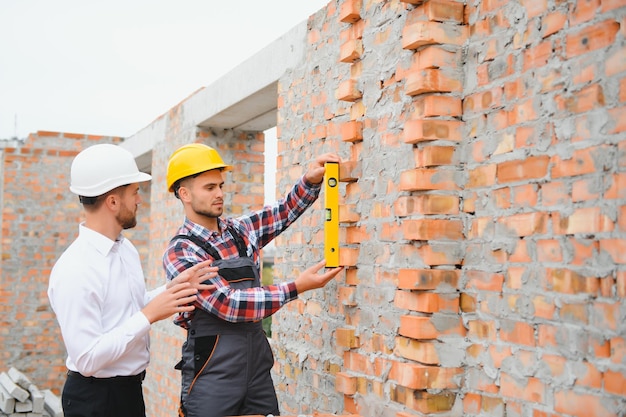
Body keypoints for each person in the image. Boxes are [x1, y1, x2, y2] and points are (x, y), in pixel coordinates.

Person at [162, 143, 344, 417]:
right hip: (213, 374)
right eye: (210, 188)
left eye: (221, 185)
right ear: (184, 193)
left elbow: (283, 211)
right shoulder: (182, 251)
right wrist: (296, 287)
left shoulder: (240, 230)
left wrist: (310, 180)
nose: (220, 194)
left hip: (256, 368)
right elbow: (228, 304)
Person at [48, 143, 216, 417]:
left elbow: (126, 308)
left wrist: (174, 289)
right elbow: (88, 358)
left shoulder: (124, 249)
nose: (140, 200)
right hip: (95, 402)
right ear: (113, 202)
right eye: (135, 193)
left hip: (128, 391)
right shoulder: (75, 269)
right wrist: (149, 315)